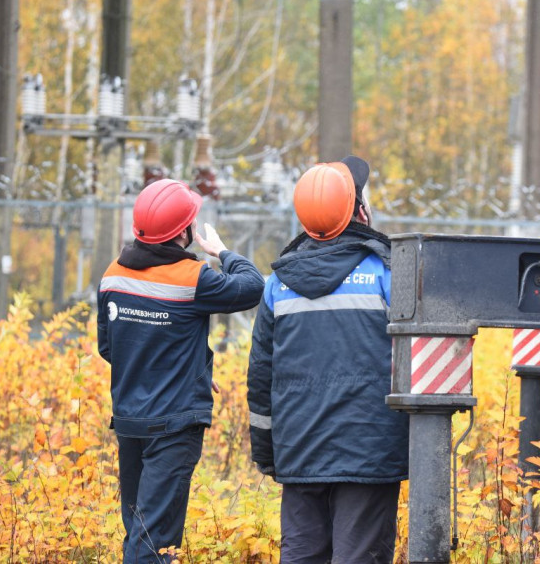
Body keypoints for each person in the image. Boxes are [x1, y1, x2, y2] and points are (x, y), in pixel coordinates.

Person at [248, 156, 409, 563]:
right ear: (359, 212)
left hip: (300, 451)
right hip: (369, 453)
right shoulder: (388, 274)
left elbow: (261, 375)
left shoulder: (277, 284)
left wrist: (269, 453)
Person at [97, 178, 264, 564]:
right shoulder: (193, 280)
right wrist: (222, 251)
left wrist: (188, 367)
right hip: (173, 426)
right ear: (182, 232)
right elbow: (253, 286)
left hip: (129, 422)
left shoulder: (112, 275)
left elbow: (110, 347)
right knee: (155, 541)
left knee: (138, 525)